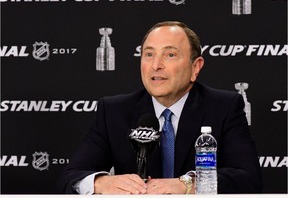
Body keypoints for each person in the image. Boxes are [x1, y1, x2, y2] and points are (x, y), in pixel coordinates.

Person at [56, 21, 262, 194]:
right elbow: (69, 178)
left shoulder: (223, 107)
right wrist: (102, 182)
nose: (156, 65)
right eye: (148, 54)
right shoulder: (114, 111)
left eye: (170, 55)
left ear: (195, 67)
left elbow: (249, 179)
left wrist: (187, 185)